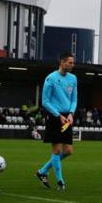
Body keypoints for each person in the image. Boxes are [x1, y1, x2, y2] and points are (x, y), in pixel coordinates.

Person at [34, 52, 78, 191]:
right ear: (62, 62)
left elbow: (74, 99)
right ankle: (60, 182)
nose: (72, 65)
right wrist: (58, 115)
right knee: (57, 150)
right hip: (54, 117)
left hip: (67, 117)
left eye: (72, 62)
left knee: (68, 151)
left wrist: (71, 113)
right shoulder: (51, 78)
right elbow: (45, 101)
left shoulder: (73, 78)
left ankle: (42, 171)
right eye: (70, 62)